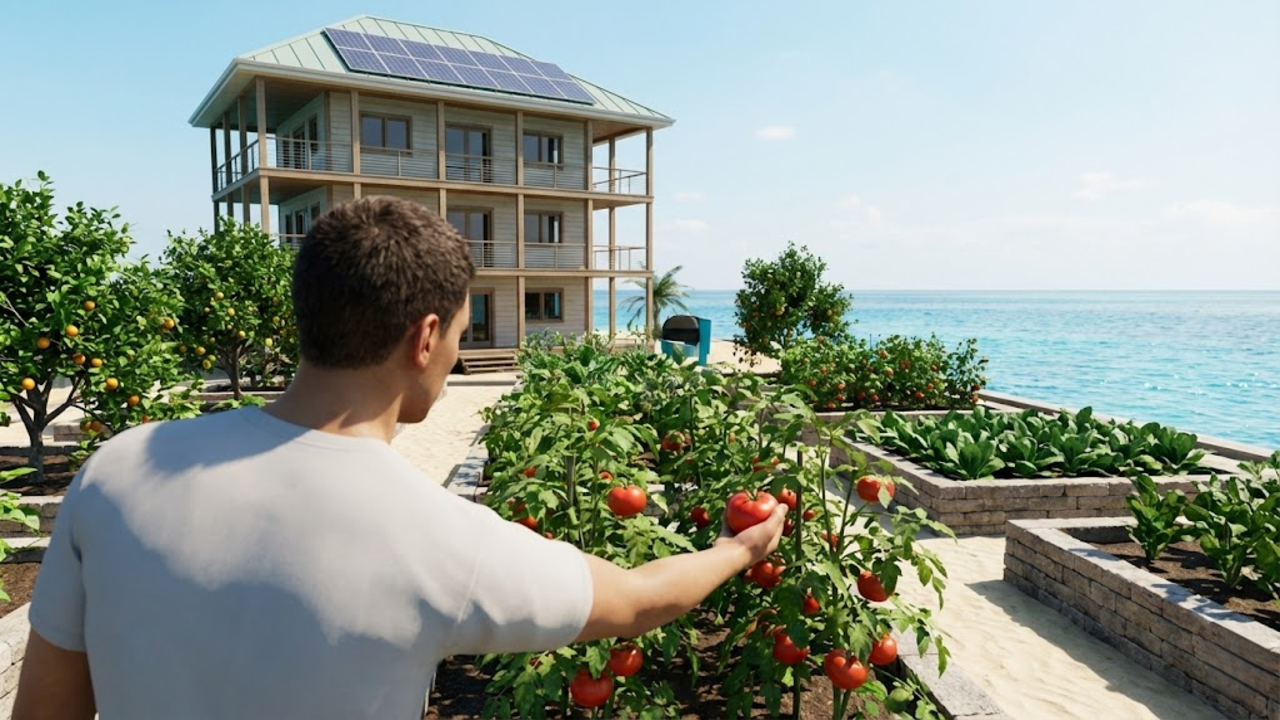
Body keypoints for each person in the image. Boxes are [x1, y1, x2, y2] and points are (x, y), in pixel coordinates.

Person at [15, 196, 786, 719]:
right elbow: (644, 597)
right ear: (424, 339)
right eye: (457, 334)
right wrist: (740, 544)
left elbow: (46, 711)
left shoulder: (117, 470)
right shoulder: (442, 541)